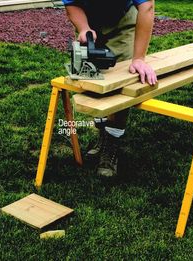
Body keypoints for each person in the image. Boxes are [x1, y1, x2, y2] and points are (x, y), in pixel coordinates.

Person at [62, 0, 157, 177]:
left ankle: (112, 141)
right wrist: (83, 28)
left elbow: (147, 6)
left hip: (122, 19)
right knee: (91, 75)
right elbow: (72, 3)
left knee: (122, 80)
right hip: (89, 19)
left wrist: (138, 59)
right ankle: (102, 134)